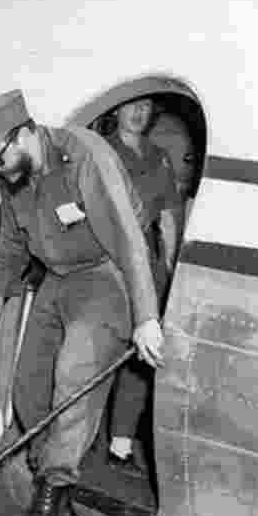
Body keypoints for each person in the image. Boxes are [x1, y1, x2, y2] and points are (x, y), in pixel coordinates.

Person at [0, 89, 165, 516]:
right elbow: (14, 239)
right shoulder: (12, 171)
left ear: (25, 134)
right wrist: (0, 293)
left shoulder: (85, 157)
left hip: (107, 274)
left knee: (74, 379)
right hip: (57, 277)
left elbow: (128, 238)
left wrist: (145, 317)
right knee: (29, 390)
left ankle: (46, 509)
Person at [103, 97, 183, 474]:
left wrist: (169, 265)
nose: (137, 112)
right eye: (131, 104)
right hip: (108, 260)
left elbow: (167, 212)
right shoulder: (101, 152)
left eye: (146, 106)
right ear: (116, 110)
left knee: (143, 354)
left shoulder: (158, 156)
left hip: (148, 262)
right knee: (97, 348)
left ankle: (119, 446)